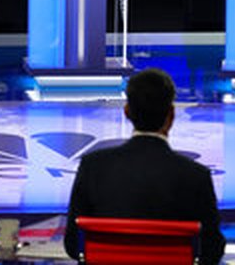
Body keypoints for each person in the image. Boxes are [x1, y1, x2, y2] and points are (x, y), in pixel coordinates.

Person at [63, 68, 225, 265]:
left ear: (127, 112)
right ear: (171, 115)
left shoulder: (93, 167)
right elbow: (212, 251)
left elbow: (73, 245)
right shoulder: (196, 176)